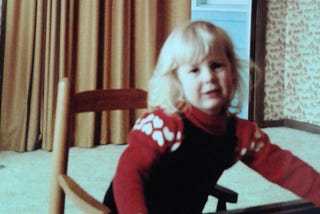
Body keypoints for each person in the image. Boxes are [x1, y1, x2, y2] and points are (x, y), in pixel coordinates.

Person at [103, 20, 320, 214]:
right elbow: (127, 175)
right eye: (194, 70)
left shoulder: (241, 134)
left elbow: (287, 169)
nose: (208, 77)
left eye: (216, 66)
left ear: (232, 73)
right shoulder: (163, 124)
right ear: (177, 82)